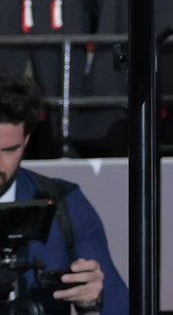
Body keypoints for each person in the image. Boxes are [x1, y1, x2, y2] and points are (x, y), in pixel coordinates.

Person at [0, 72, 127, 313]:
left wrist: (92, 302)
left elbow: (117, 302)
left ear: (26, 140)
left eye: (9, 150)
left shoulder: (64, 201)